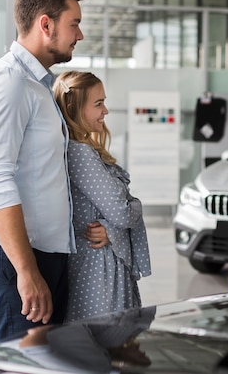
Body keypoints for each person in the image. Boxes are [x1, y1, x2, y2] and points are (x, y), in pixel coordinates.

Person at [0, 0, 97, 342]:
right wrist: (26, 271)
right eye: (74, 24)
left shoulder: (39, 87)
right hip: (19, 259)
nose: (79, 34)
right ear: (46, 24)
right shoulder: (8, 82)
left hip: (44, 255)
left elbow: (44, 178)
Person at [53, 71, 151, 322]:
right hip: (99, 272)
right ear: (75, 108)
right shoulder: (81, 154)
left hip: (98, 268)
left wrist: (111, 230)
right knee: (107, 345)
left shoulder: (79, 150)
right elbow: (123, 212)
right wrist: (136, 205)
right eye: (98, 104)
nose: (105, 111)